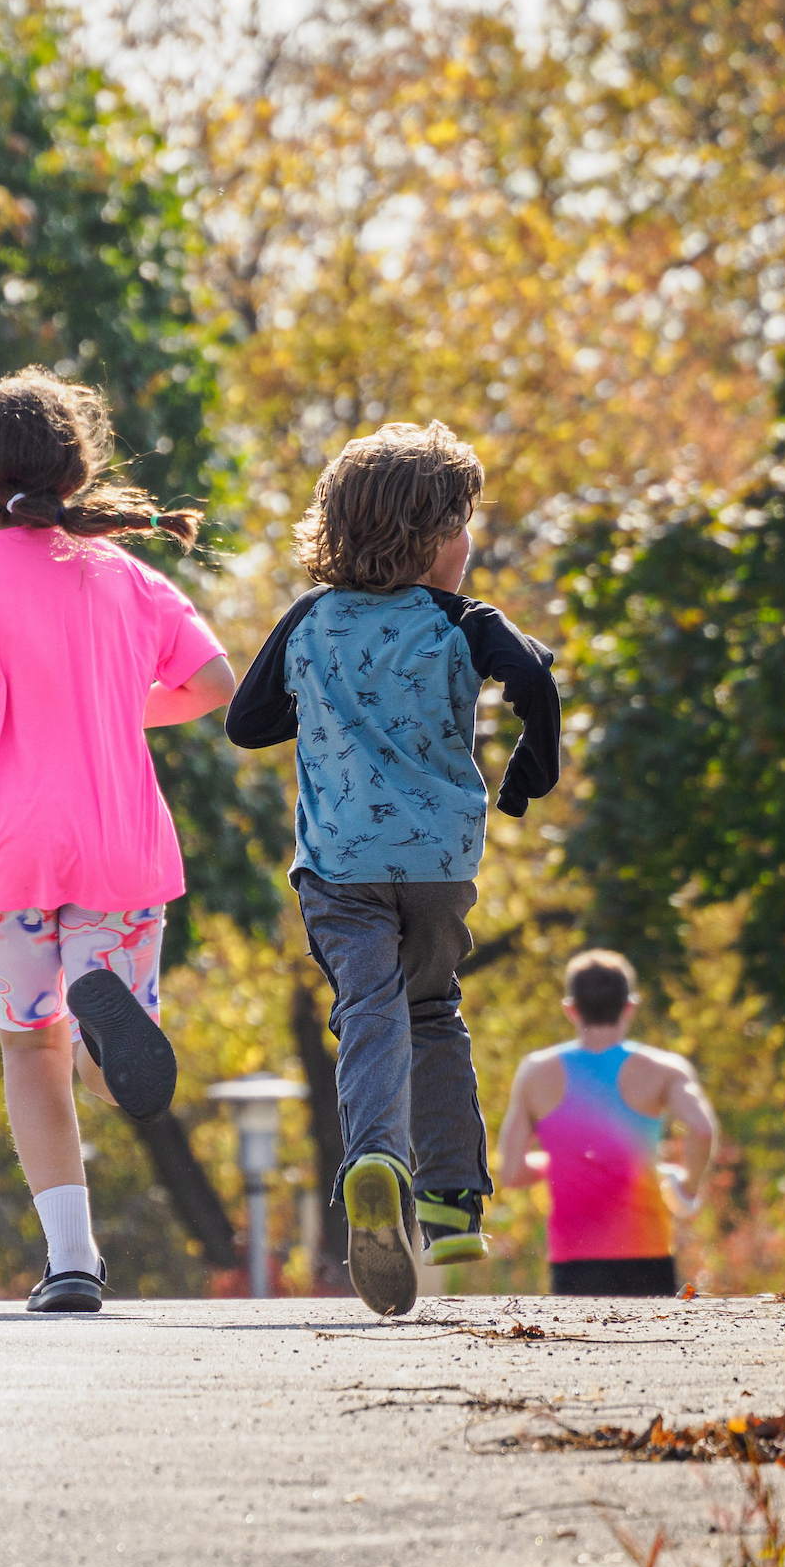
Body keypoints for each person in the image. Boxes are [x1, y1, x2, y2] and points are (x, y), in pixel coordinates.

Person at [0, 368, 235, 1314]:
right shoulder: (125, 575)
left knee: (29, 1046)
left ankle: (73, 1263)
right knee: (104, 1066)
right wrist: (112, 706)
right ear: (79, 471)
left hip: (6, 850)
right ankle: (109, 1037)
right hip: (117, 842)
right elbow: (214, 685)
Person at [227, 420, 560, 1316]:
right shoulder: (462, 622)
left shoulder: (312, 618)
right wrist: (532, 767)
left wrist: (329, 706)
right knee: (433, 1008)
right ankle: (453, 1203)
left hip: (341, 865)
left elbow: (247, 723)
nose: (470, 544)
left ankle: (376, 1158)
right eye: (464, 527)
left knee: (369, 1010)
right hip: (439, 864)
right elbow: (534, 678)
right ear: (432, 537)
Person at [497, 949, 718, 1297]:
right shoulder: (664, 1070)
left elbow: (511, 1172)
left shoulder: (535, 1073)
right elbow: (702, 1130)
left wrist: (562, 1162)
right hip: (648, 1254)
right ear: (630, 1006)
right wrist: (686, 1189)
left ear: (571, 1008)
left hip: (572, 1260)